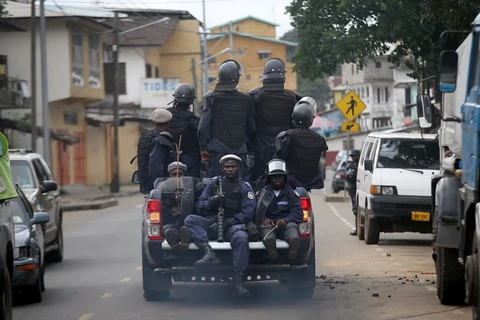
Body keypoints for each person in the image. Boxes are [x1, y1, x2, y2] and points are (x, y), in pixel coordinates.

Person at [184, 154, 256, 297]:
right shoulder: (214, 183)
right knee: (190, 220)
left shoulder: (244, 187)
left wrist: (230, 221)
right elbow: (200, 205)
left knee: (241, 238)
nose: (230, 169)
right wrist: (212, 201)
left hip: (232, 224)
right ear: (222, 168)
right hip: (212, 221)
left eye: (233, 167)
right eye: (227, 167)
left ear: (238, 168)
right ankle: (208, 252)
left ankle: (238, 280)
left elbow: (248, 212)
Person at [197, 59, 256, 181]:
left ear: (220, 77)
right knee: (243, 187)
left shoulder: (211, 98)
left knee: (214, 186)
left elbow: (203, 127)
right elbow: (252, 128)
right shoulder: (247, 100)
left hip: (217, 151)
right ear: (237, 78)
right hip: (240, 151)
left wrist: (203, 148)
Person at [248, 58, 301, 180]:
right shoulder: (293, 97)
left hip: (261, 148)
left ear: (265, 74)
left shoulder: (255, 96)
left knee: (258, 182)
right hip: (284, 148)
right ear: (283, 75)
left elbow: (250, 124)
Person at [275, 97, 328, 190]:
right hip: (312, 182)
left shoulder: (287, 135)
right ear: (311, 119)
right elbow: (321, 160)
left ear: (294, 117)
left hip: (290, 181)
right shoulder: (320, 139)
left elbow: (279, 158)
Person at [257, 159, 303, 261]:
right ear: (269, 178)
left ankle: (293, 254)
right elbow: (256, 213)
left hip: (287, 223)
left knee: (294, 235)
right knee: (268, 238)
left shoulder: (291, 193)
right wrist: (264, 219)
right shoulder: (262, 193)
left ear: (285, 178)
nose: (277, 178)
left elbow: (298, 213)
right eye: (274, 176)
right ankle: (273, 255)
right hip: (269, 225)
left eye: (280, 176)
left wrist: (286, 220)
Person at [155, 161, 206, 251]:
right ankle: (175, 242)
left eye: (180, 174)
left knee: (187, 229)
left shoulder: (194, 184)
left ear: (185, 174)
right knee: (169, 229)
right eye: (173, 174)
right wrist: (170, 210)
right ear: (169, 175)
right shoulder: (164, 187)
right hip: (172, 221)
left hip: (189, 220)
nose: (177, 177)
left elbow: (203, 200)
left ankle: (185, 241)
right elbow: (159, 208)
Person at [134, 109, 175, 194]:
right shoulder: (161, 140)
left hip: (145, 184)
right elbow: (155, 165)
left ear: (153, 122)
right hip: (157, 186)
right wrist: (159, 184)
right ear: (167, 124)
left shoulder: (145, 137)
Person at [167, 83, 202, 178]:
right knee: (194, 185)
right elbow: (200, 139)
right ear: (191, 100)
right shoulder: (195, 119)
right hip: (190, 159)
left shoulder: (166, 115)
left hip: (168, 157)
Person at [345, 150, 360, 236]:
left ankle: (359, 229)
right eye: (352, 156)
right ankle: (357, 229)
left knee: (356, 210)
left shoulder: (360, 165)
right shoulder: (351, 165)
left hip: (358, 189)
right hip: (352, 190)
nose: (353, 158)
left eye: (355, 156)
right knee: (355, 210)